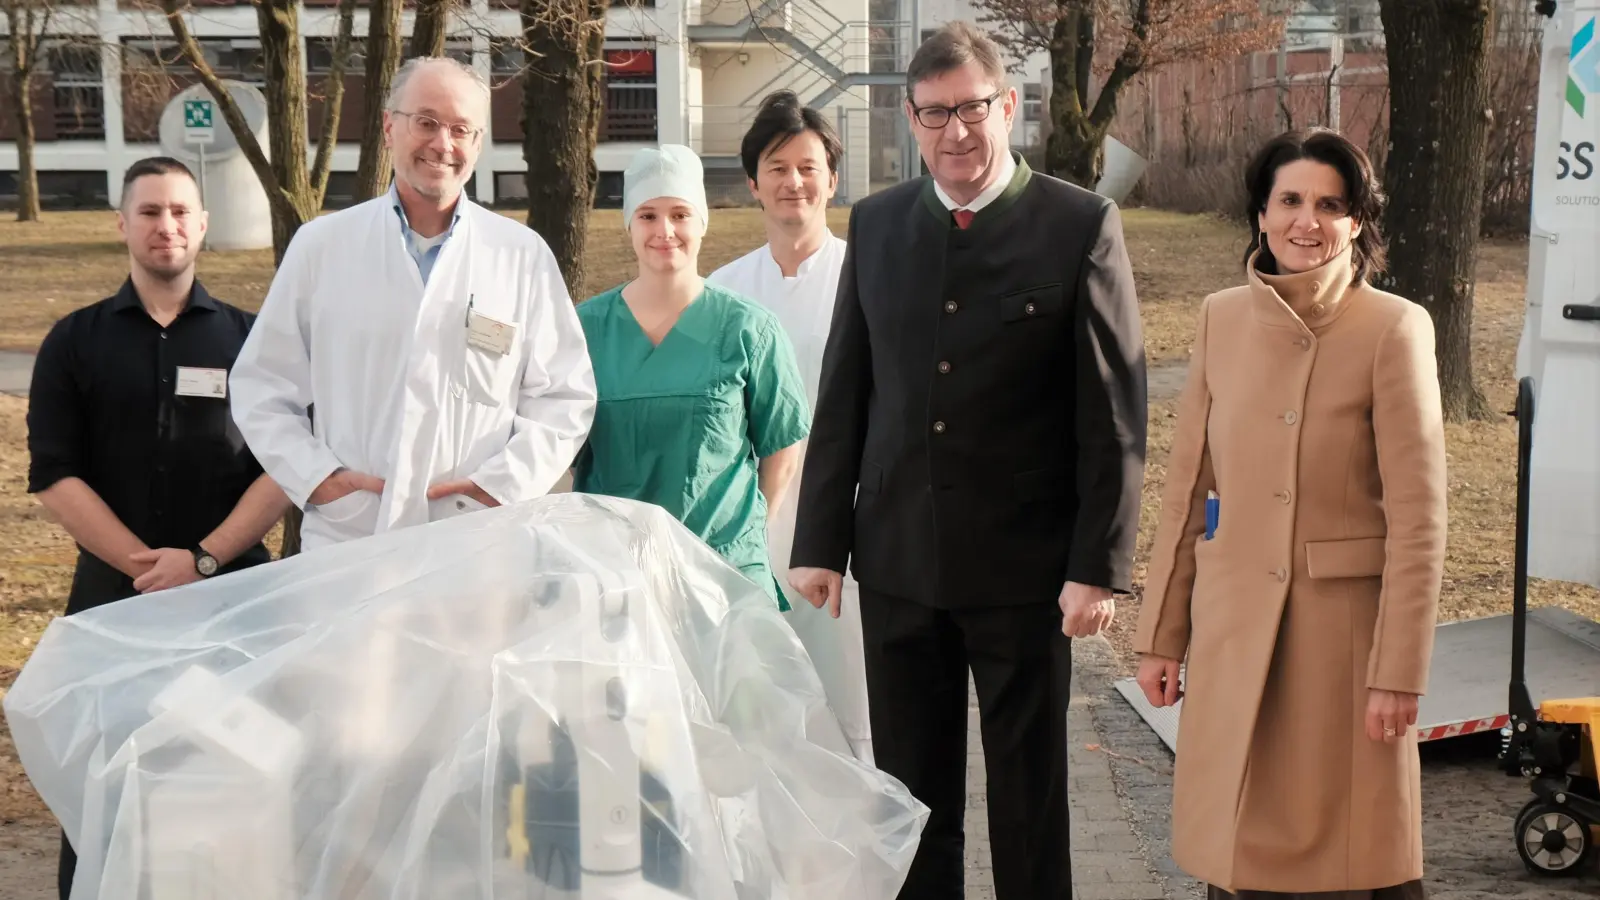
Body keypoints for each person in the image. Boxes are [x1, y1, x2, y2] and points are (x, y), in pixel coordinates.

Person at [787, 22, 1147, 900]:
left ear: (1008, 106)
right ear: (912, 120)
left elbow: (1114, 417)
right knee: (911, 802)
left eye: (972, 109)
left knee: (1028, 801)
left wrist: (1096, 567)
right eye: (935, 113)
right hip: (901, 564)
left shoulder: (1078, 224)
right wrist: (818, 542)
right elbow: (845, 396)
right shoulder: (875, 225)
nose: (956, 131)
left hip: (1028, 575)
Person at [1133, 128, 1445, 900]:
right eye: (1291, 201)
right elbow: (1187, 490)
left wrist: (1398, 673)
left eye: (1331, 205)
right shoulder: (1220, 317)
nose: (1309, 222)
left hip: (1341, 648)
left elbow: (1420, 518)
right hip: (1236, 630)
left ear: (1357, 221)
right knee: (1237, 864)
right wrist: (1161, 635)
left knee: (1348, 867)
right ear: (1262, 214)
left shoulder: (1394, 328)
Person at [25, 156, 292, 900]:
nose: (165, 226)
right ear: (122, 225)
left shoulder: (254, 341)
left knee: (239, 783)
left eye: (180, 211)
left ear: (203, 224)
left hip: (237, 607)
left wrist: (203, 563)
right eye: (149, 212)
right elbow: (53, 474)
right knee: (103, 788)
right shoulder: (74, 343)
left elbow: (287, 466)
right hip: (112, 608)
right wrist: (152, 571)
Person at [229, 56, 596, 551]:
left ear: (478, 143)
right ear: (389, 128)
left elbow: (564, 396)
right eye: (426, 122)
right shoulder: (323, 247)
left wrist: (501, 486)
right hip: (352, 535)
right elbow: (262, 386)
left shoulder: (520, 255)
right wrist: (319, 479)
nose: (442, 144)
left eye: (461, 129)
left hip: (477, 541)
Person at [706, 91, 872, 764]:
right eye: (776, 167)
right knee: (758, 704)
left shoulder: (866, 278)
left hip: (852, 525)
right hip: (750, 526)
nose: (793, 182)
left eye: (808, 167)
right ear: (753, 182)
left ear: (832, 179)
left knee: (852, 699)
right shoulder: (721, 291)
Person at [572, 143, 811, 607]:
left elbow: (782, 445)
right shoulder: (583, 329)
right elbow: (556, 441)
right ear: (628, 225)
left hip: (723, 572)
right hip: (616, 572)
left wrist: (744, 530)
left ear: (702, 221)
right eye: (647, 216)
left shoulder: (748, 328)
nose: (665, 231)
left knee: (732, 682)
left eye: (680, 214)